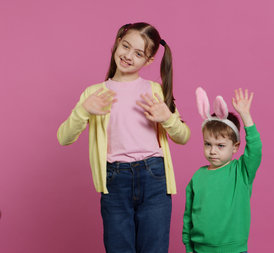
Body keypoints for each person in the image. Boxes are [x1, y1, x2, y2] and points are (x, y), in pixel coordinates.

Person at [57, 22, 190, 253]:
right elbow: (64, 138)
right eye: (125, 46)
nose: (128, 56)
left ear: (149, 60)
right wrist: (83, 111)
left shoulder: (155, 90)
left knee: (154, 248)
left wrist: (167, 118)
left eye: (138, 53)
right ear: (118, 41)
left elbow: (183, 136)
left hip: (155, 179)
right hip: (115, 181)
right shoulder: (93, 93)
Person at [182, 87, 262, 253]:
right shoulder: (197, 176)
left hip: (233, 249)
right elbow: (188, 216)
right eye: (208, 144)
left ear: (235, 147)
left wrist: (246, 116)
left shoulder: (241, 171)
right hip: (200, 249)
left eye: (220, 146)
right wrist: (189, 247)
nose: (213, 151)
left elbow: (255, 149)